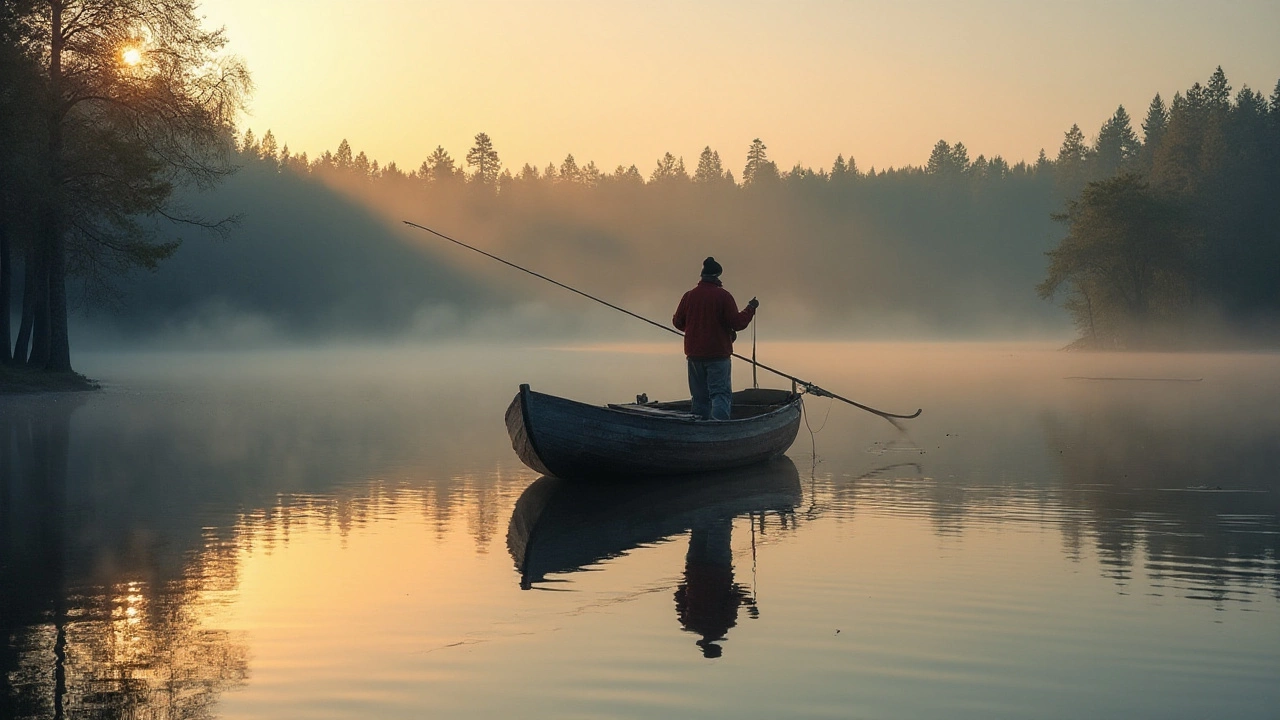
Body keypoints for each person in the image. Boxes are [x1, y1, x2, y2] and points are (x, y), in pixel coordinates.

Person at [672, 257, 758, 420]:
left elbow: (677, 322)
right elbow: (737, 323)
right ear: (717, 276)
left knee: (699, 398)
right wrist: (750, 308)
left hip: (694, 355)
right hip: (718, 356)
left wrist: (694, 331)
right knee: (720, 395)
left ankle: (699, 432)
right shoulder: (723, 296)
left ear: (702, 275)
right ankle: (720, 430)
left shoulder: (688, 296)